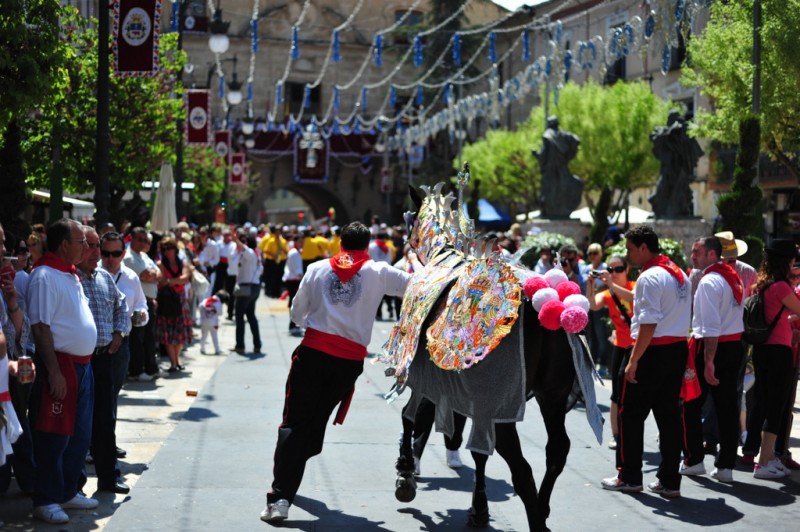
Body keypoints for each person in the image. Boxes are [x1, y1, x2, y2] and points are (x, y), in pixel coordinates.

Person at [261, 221, 412, 523]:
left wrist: (315, 320)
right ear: (367, 246)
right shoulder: (380, 272)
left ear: (340, 243)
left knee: (296, 423)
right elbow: (417, 286)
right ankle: (289, 479)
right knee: (313, 423)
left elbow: (297, 312)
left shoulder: (317, 268)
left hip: (313, 353)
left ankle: (280, 497)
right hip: (347, 364)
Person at [601, 225, 690, 498]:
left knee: (630, 415)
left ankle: (629, 477)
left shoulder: (651, 276)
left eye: (629, 249)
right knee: (669, 417)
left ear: (642, 247)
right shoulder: (678, 273)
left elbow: (649, 324)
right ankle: (669, 480)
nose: (627, 255)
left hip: (651, 351)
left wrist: (633, 361)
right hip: (675, 349)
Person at [26, 219, 98, 524]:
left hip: (82, 367)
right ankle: (47, 498)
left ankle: (68, 490)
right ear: (64, 245)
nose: (86, 247)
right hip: (61, 366)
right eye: (81, 242)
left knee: (79, 437)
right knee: (53, 437)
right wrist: (53, 372)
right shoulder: (44, 275)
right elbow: (41, 327)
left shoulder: (71, 275)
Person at [680, 236, 745, 483]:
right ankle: (726, 465)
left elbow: (710, 328)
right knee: (727, 407)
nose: (692, 256)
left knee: (691, 403)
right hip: (732, 346)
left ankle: (694, 459)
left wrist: (708, 361)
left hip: (713, 348)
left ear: (711, 254)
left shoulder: (709, 281)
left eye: (697, 251)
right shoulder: (732, 276)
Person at [76, 226, 131, 494]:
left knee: (105, 421)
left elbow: (122, 306)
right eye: (91, 246)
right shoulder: (71, 278)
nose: (96, 253)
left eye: (98, 247)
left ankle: (109, 477)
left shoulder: (104, 278)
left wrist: (119, 332)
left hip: (104, 359)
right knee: (79, 423)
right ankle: (75, 484)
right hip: (79, 361)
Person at [747, 239, 800, 479]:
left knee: (766, 401)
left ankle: (766, 459)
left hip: (762, 350)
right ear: (786, 261)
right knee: (777, 406)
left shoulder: (764, 284)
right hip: (780, 351)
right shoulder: (782, 287)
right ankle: (763, 462)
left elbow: (776, 314)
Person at [587, 254, 635, 450]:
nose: (614, 273)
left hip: (639, 346)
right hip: (620, 347)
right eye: (611, 269)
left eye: (618, 269)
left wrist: (612, 285)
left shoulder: (636, 285)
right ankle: (617, 435)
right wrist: (590, 284)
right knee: (616, 394)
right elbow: (592, 304)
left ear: (626, 269)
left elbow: (635, 298)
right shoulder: (607, 294)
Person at [648, 111, 703, 218]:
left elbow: (690, 146)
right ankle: (660, 210)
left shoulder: (681, 132)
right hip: (668, 168)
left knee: (681, 190)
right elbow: (654, 137)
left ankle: (680, 211)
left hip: (680, 168)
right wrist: (671, 130)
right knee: (663, 187)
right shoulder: (663, 131)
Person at [124, 228, 162, 380]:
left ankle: (150, 368)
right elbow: (146, 275)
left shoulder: (144, 255)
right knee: (138, 336)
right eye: (140, 239)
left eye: (145, 240)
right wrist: (152, 275)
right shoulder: (128, 257)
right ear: (131, 238)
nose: (143, 243)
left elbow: (159, 273)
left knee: (148, 336)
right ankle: (136, 370)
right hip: (138, 303)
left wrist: (153, 275)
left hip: (148, 302)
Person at [532, 116, 583, 218]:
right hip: (562, 168)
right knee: (562, 188)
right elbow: (576, 140)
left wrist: (536, 154)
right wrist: (569, 154)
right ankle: (557, 210)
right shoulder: (563, 135)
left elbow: (543, 153)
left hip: (550, 170)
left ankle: (546, 211)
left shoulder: (547, 135)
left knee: (547, 190)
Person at [156, 237, 192, 372]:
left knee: (180, 333)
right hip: (166, 300)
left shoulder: (183, 262)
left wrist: (170, 281)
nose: (166, 251)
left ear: (175, 249)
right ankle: (173, 363)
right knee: (168, 334)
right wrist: (175, 281)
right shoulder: (160, 264)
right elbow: (162, 281)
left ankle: (177, 360)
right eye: (164, 249)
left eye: (169, 248)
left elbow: (184, 279)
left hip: (180, 300)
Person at [230, 232, 262, 354]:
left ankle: (240, 345)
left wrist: (235, 240)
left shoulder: (250, 253)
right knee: (251, 316)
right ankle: (257, 344)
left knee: (239, 317)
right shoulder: (255, 254)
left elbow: (244, 249)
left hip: (246, 288)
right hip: (253, 288)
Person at [585, 243, 611, 374]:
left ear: (600, 254)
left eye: (595, 253)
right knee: (592, 336)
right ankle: (593, 363)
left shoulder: (605, 268)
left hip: (601, 305)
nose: (592, 256)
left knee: (601, 336)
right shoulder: (586, 268)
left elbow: (609, 285)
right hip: (589, 305)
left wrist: (597, 289)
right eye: (590, 253)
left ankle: (603, 364)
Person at [283, 234, 305, 336]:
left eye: (302, 241)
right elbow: (298, 271)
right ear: (295, 241)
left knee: (294, 303)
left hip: (292, 279)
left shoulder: (294, 252)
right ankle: (293, 325)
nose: (302, 243)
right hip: (293, 280)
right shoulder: (295, 253)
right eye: (300, 241)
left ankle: (293, 325)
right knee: (295, 303)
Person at [199, 290, 227, 355]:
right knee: (214, 336)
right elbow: (220, 313)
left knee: (204, 335)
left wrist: (203, 315)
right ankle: (217, 349)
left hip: (204, 321)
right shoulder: (218, 303)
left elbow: (200, 306)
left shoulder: (207, 299)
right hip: (213, 323)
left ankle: (202, 348)